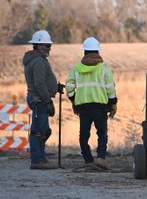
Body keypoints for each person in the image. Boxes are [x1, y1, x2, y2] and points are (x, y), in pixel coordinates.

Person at [65, 37, 117, 168]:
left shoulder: (76, 68)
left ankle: (88, 160)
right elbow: (110, 88)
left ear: (84, 52)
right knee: (102, 133)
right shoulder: (104, 68)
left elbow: (69, 87)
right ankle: (100, 158)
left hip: (83, 107)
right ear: (98, 51)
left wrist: (74, 100)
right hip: (100, 107)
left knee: (83, 134)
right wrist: (113, 103)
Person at [23, 30, 59, 169]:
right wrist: (48, 101)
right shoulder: (38, 61)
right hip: (39, 100)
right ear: (38, 45)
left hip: (39, 99)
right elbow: (39, 83)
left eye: (49, 45)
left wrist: (55, 87)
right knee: (37, 130)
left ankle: (41, 158)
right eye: (47, 45)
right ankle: (37, 160)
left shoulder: (38, 59)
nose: (49, 48)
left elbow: (43, 81)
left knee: (44, 130)